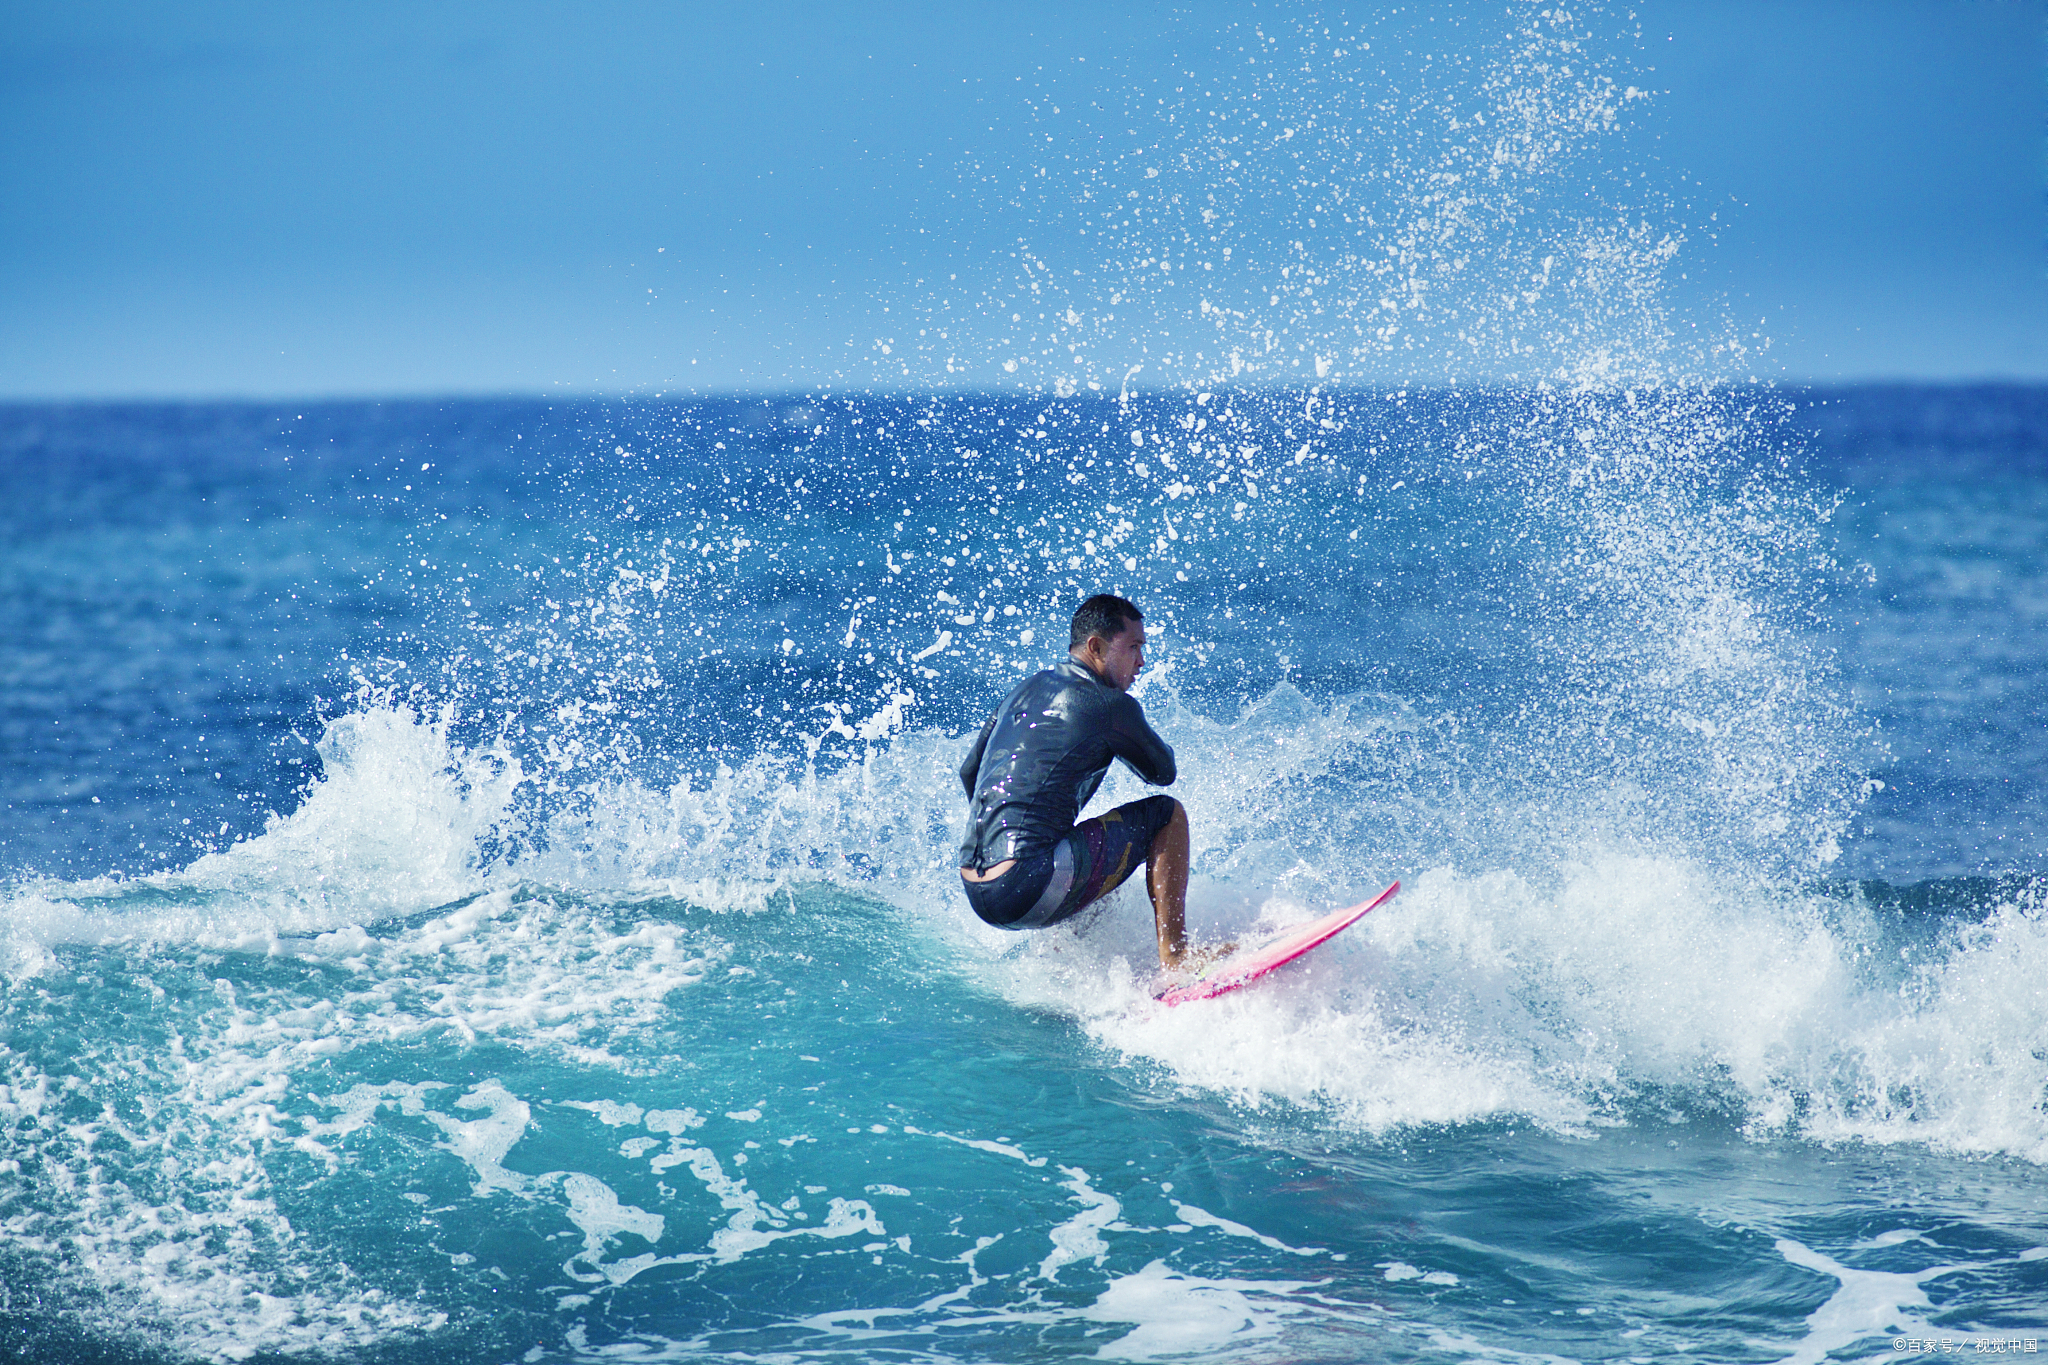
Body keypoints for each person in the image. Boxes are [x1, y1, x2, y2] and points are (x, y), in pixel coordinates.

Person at [956, 593, 1224, 971]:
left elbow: (969, 772)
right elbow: (1163, 773)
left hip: (976, 884)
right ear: (1096, 647)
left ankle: (1067, 963)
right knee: (1166, 814)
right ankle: (1177, 958)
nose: (1141, 662)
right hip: (1027, 884)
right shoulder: (1109, 705)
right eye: (1133, 647)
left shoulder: (1024, 689)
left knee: (1089, 858)